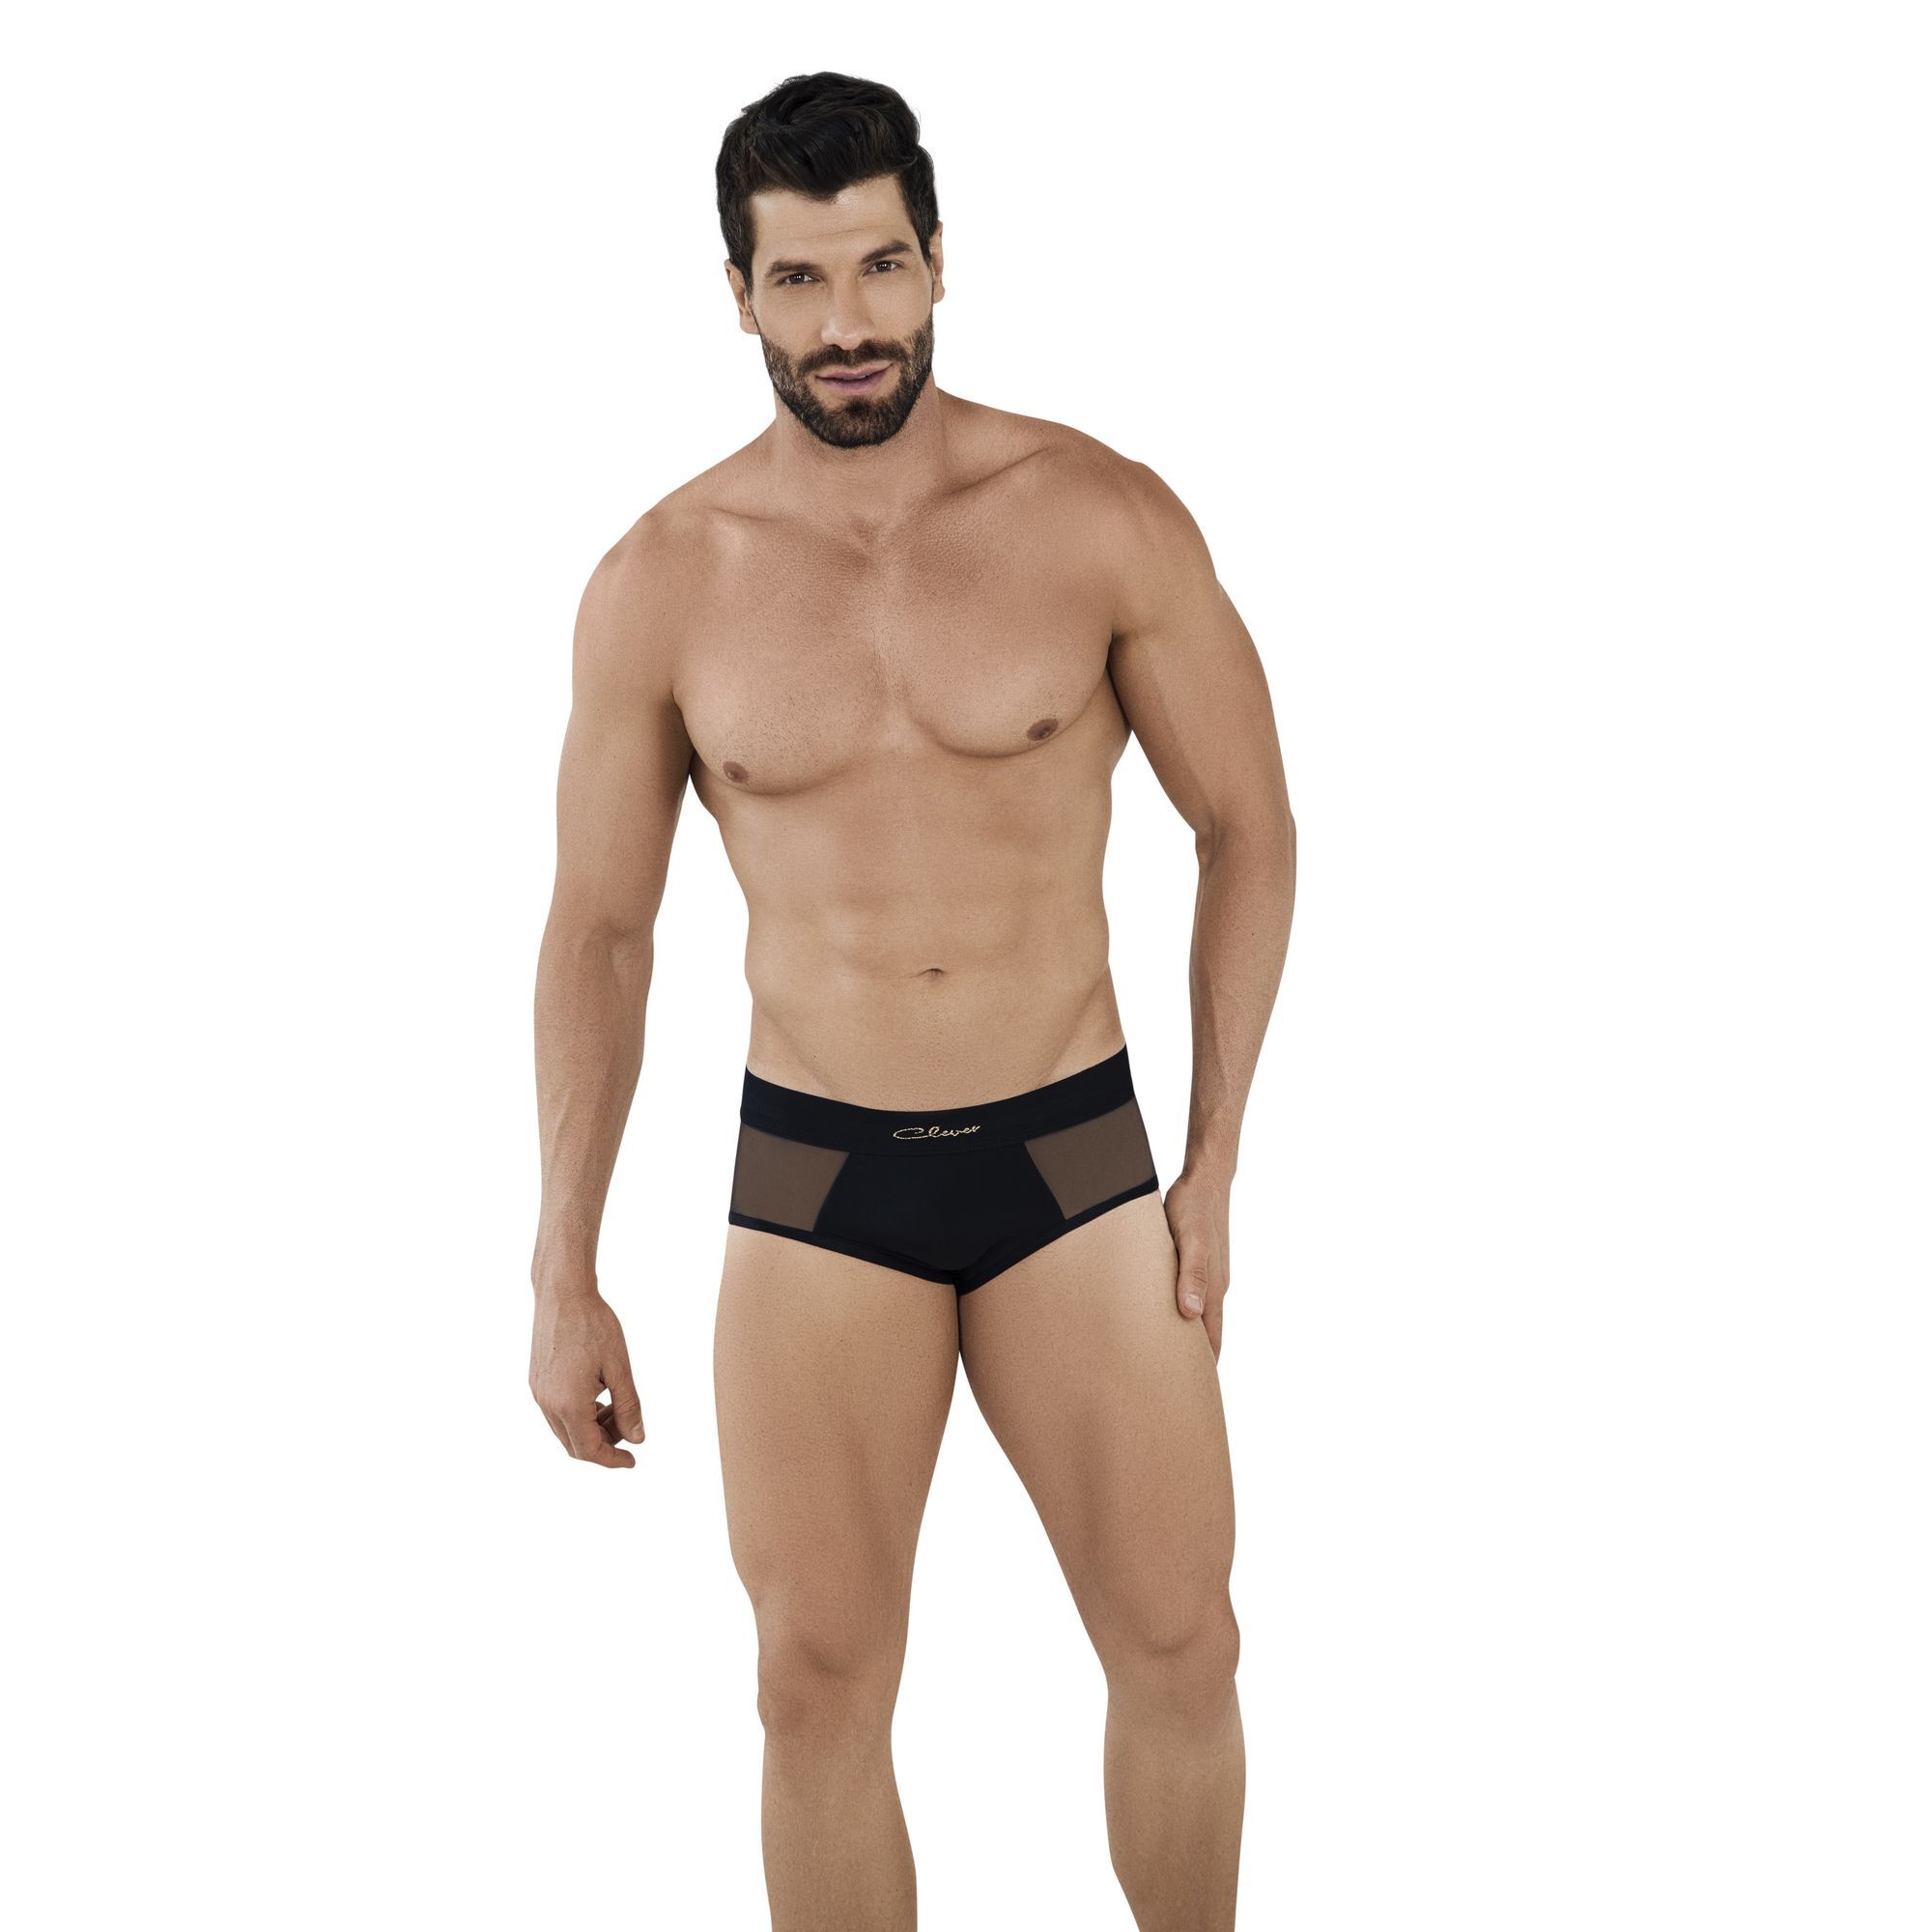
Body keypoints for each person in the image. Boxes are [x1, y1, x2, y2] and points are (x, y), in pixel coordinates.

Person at [528, 70, 1295, 1932]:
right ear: (738, 295)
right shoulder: (662, 582)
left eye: (879, 266)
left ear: (939, 262)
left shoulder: (1097, 513)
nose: (848, 322)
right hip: (819, 1185)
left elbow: (1249, 828)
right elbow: (600, 933)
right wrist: (563, 1262)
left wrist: (1212, 1161)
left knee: (1183, 1639)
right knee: (812, 1688)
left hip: (1073, 1164)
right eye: (800, 281)